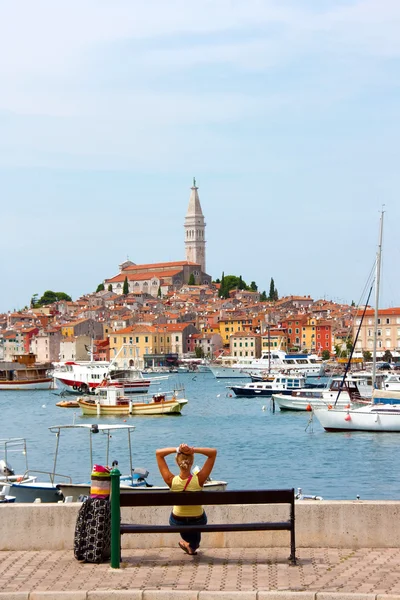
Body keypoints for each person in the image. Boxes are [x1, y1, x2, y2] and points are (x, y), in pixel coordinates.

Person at [155, 443, 217, 555]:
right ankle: (192, 545)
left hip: (177, 521)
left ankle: (191, 545)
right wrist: (193, 450)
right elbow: (213, 453)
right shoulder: (199, 479)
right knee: (197, 525)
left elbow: (158, 454)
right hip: (198, 521)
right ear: (192, 462)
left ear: (177, 463)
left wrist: (177, 449)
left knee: (189, 531)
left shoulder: (171, 480)